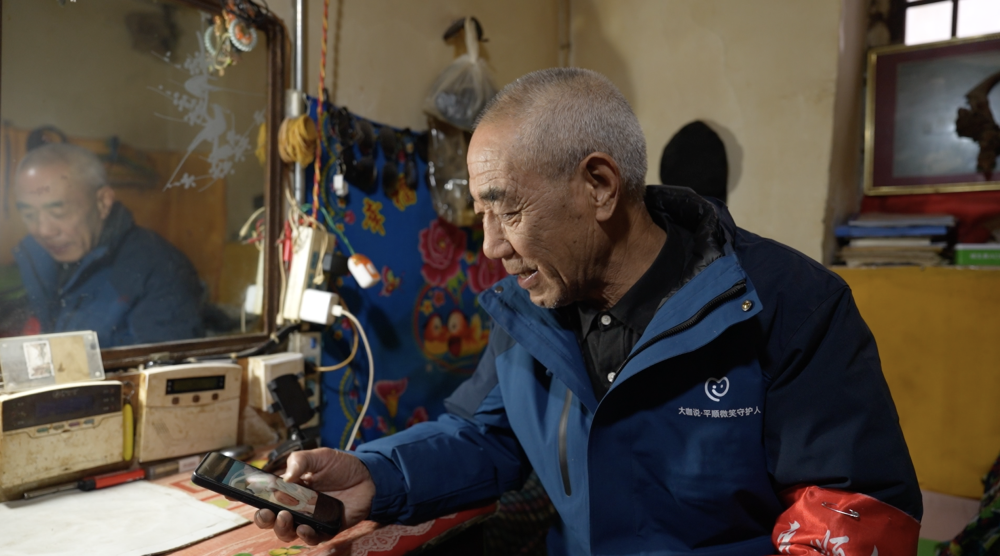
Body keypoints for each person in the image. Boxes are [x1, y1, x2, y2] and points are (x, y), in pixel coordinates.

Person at [254, 69, 922, 554]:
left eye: (507, 210)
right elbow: (487, 437)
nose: (490, 248)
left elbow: (852, 511)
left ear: (599, 186)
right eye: (481, 215)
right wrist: (373, 475)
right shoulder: (530, 308)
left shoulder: (789, 304)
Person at [11, 143, 204, 347]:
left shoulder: (159, 270)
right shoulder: (33, 257)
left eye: (59, 213)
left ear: (103, 202)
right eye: (29, 215)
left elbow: (162, 363)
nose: (44, 231)